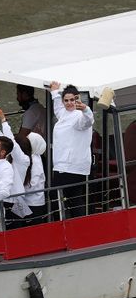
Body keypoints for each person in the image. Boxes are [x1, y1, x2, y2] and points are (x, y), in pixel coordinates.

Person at [50, 81, 94, 218]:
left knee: (55, 196)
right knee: (73, 198)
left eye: (72, 100)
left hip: (71, 166)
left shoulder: (79, 116)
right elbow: (58, 109)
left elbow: (88, 121)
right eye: (66, 100)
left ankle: (63, 226)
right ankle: (78, 226)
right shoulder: (64, 113)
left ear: (78, 99)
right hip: (64, 165)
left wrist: (86, 109)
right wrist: (55, 93)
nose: (69, 103)